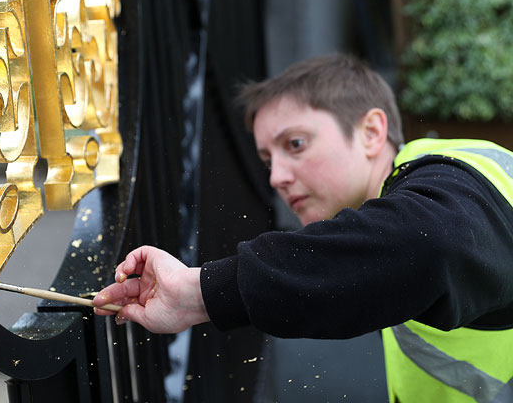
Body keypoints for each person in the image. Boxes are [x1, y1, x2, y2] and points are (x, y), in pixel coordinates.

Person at [93, 53, 513, 402]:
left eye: (295, 144)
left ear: (371, 132)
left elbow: (433, 243)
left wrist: (201, 291)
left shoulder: (456, 178)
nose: (276, 177)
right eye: (267, 160)